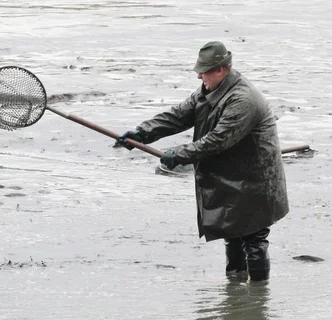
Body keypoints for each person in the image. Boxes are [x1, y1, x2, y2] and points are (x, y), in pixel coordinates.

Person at [118, 41, 289, 281]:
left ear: (221, 69)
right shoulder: (209, 89)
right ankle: (235, 289)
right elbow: (179, 115)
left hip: (255, 179)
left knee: (253, 237)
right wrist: (144, 132)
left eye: (204, 70)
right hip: (230, 176)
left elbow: (217, 140)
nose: (199, 75)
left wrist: (179, 154)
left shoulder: (243, 99)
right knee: (232, 233)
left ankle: (256, 298)